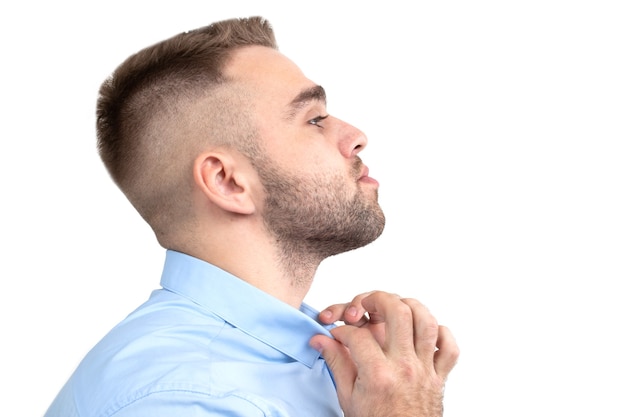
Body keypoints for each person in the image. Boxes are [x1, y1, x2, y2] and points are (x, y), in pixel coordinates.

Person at [44, 16, 459, 417]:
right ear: (228, 182)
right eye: (314, 119)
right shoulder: (187, 399)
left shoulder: (333, 362)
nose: (355, 137)